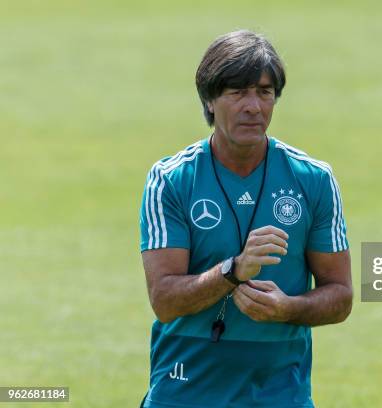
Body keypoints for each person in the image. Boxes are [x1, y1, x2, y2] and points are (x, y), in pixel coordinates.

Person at [138, 30, 352, 408]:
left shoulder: (313, 180)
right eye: (237, 92)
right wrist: (233, 270)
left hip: (278, 392)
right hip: (186, 389)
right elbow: (165, 301)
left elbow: (341, 295)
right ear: (209, 99)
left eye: (264, 92)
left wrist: (290, 308)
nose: (253, 106)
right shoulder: (171, 180)